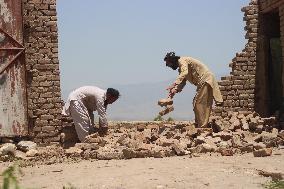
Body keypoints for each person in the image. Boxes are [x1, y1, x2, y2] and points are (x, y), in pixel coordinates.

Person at [164, 52, 223, 128]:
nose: (168, 66)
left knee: (199, 103)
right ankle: (200, 124)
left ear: (172, 60)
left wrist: (174, 84)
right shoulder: (181, 67)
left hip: (206, 80)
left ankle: (202, 128)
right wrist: (175, 90)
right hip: (202, 82)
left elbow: (184, 73)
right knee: (196, 103)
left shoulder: (182, 61)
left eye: (168, 64)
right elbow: (182, 82)